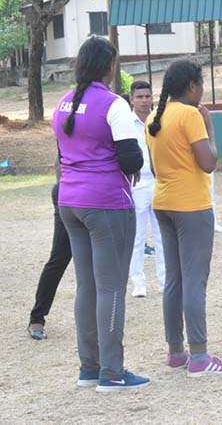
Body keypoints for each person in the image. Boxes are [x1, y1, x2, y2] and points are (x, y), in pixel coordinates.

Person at [53, 36, 149, 390]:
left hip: (70, 203)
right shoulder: (114, 105)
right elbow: (131, 158)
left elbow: (64, 153)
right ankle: (112, 372)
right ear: (109, 66)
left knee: (87, 287)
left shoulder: (63, 103)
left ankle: (89, 368)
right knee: (111, 288)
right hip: (107, 204)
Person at [146, 59, 222, 376]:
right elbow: (208, 162)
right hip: (192, 206)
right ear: (192, 87)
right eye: (200, 85)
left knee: (174, 279)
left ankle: (176, 351)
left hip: (163, 203)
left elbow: (157, 169)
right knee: (195, 280)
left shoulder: (153, 118)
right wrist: (211, 128)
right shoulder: (191, 115)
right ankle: (199, 356)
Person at [128, 81, 165, 298]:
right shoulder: (125, 122)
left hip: (160, 181)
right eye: (140, 97)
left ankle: (164, 280)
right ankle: (138, 283)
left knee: (163, 235)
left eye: (147, 96)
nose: (144, 101)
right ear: (132, 99)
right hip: (136, 183)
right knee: (137, 237)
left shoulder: (159, 121)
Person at [27, 166, 72, 340]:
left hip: (98, 196)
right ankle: (37, 318)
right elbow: (59, 160)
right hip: (69, 193)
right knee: (59, 258)